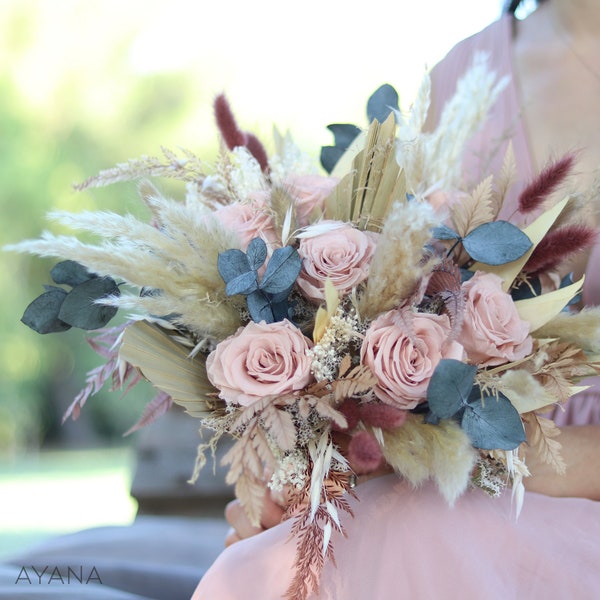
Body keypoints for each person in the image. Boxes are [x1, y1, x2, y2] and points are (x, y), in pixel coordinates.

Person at [192, 1, 600, 598]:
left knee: (411, 534)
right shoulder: (464, 77)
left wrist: (500, 461)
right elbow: (396, 305)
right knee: (280, 565)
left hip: (512, 484)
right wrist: (301, 468)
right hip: (464, 483)